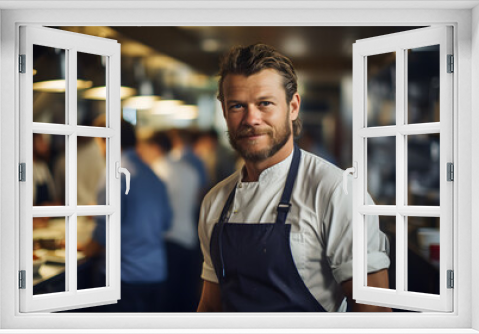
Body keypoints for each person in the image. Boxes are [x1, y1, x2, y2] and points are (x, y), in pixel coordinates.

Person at [197, 44, 391, 313]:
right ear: (224, 112)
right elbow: (210, 307)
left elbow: (375, 315)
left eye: (265, 103)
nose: (251, 118)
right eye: (238, 106)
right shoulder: (215, 202)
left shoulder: (336, 192)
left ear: (293, 107)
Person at [84, 120, 173, 312]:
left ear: (106, 140)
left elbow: (103, 234)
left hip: (124, 277)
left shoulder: (115, 174)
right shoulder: (154, 175)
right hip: (155, 274)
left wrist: (82, 251)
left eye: (98, 142)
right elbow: (166, 223)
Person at [143, 130, 202, 312]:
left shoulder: (155, 171)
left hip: (167, 241)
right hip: (190, 240)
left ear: (154, 148)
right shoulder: (188, 170)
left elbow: (154, 214)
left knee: (168, 302)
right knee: (186, 298)